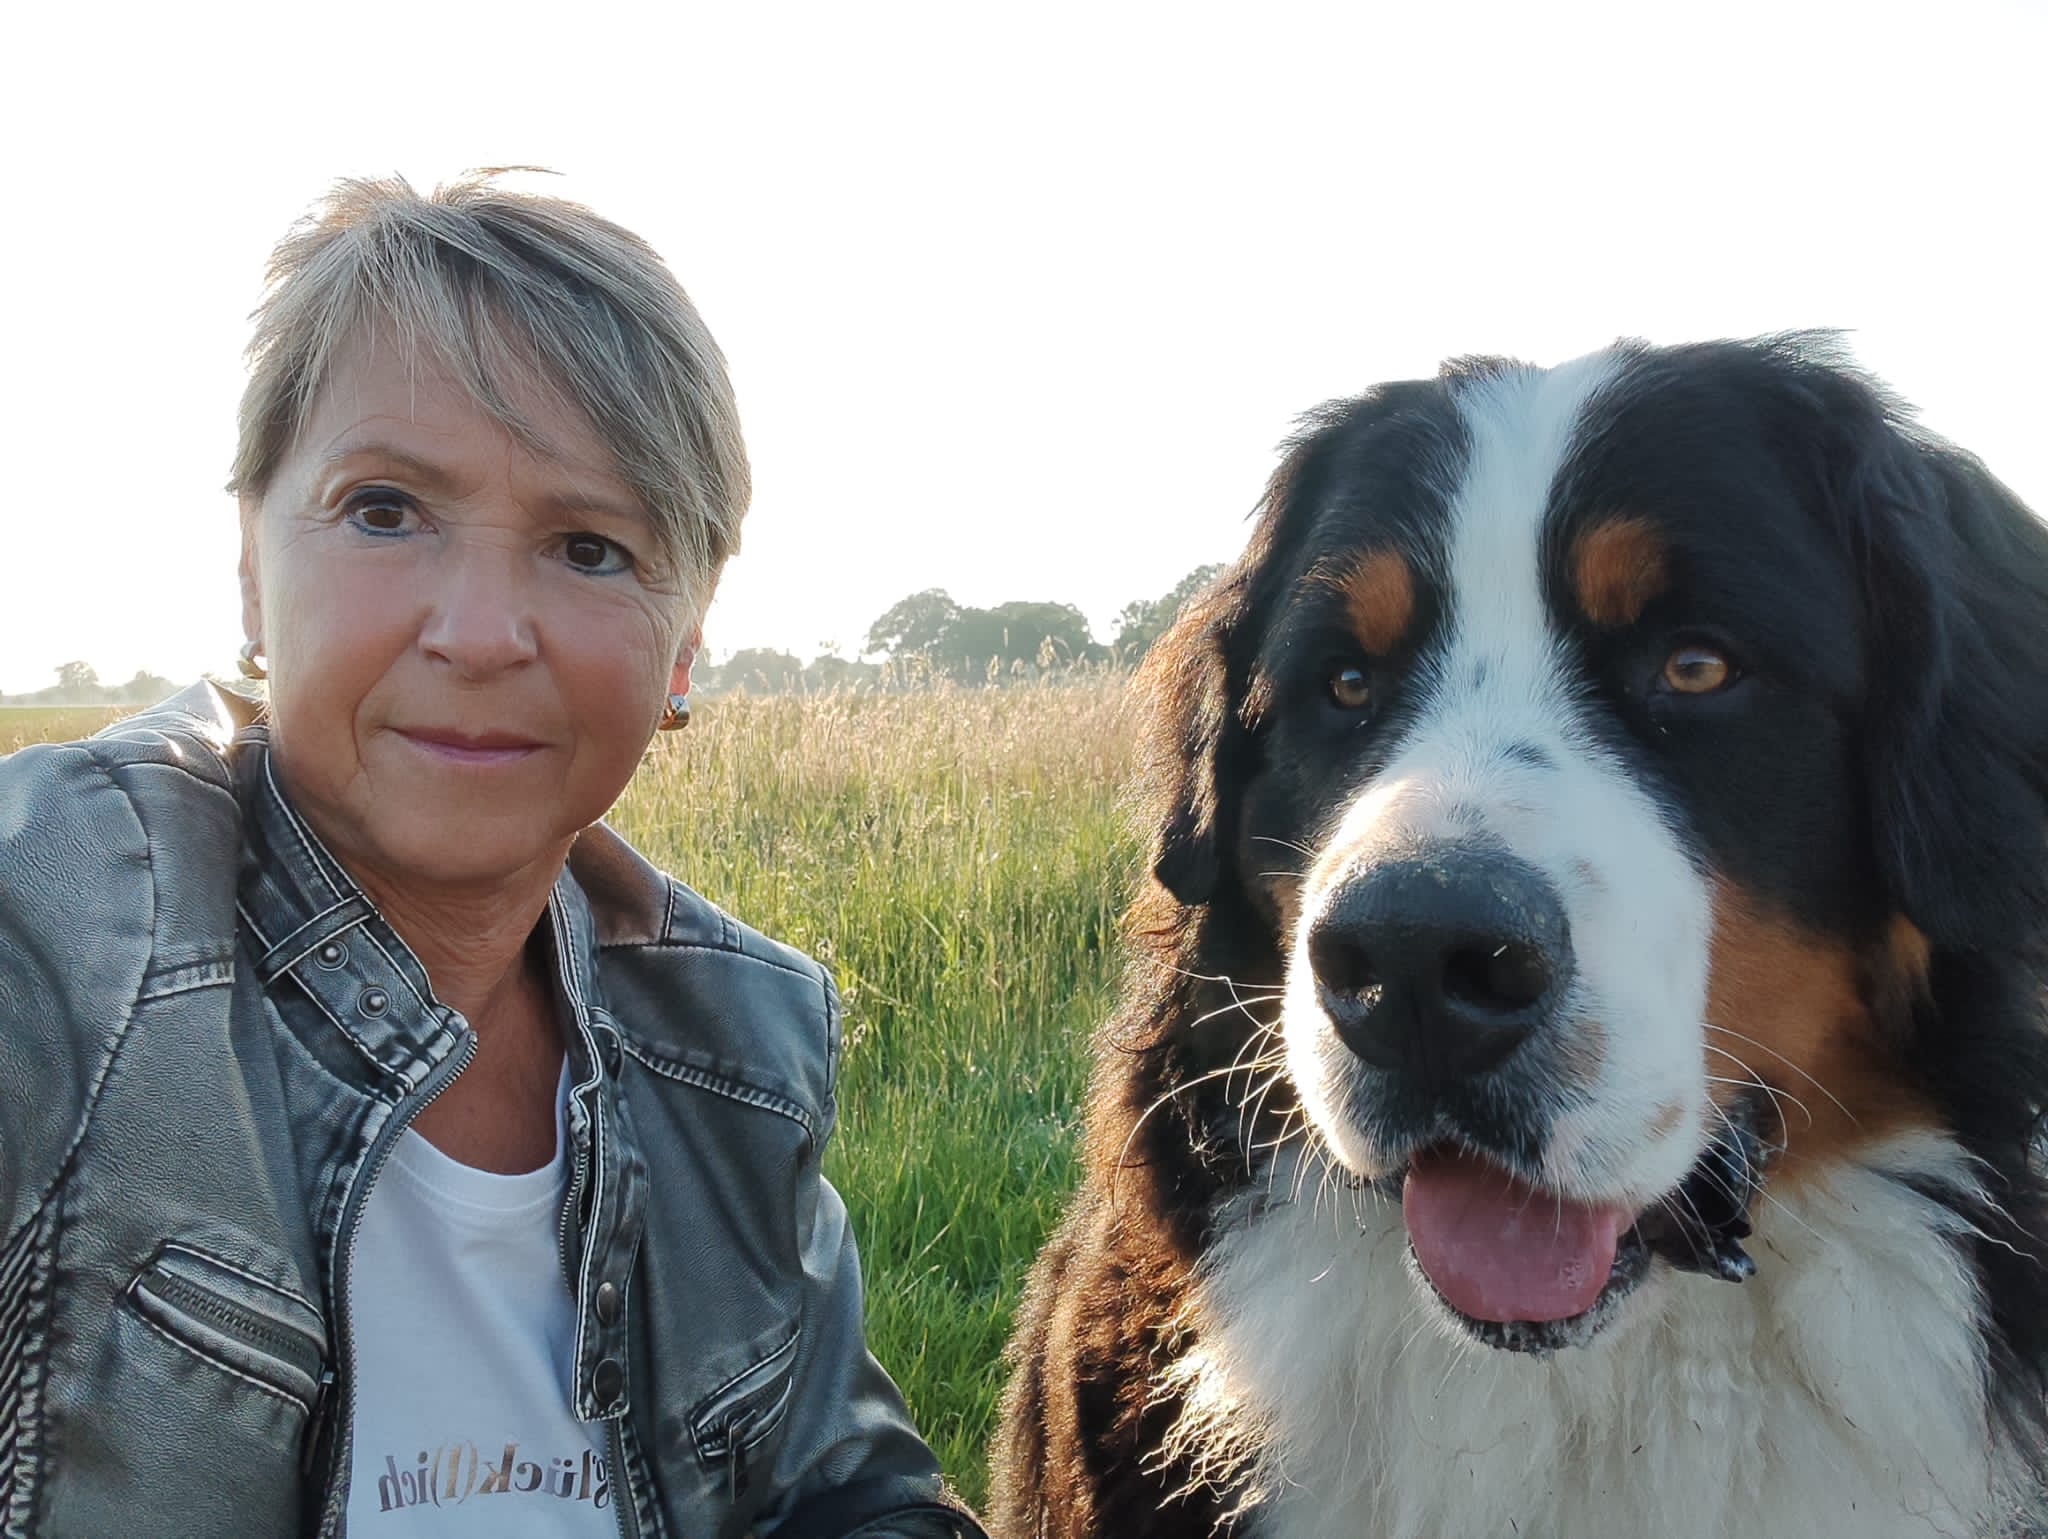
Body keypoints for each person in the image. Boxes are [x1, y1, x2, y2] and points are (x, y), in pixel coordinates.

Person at [0, 172, 982, 1539]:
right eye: (384, 510)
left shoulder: (736, 1054)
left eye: (589, 547)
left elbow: (846, 1494)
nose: (477, 633)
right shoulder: (60, 931)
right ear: (250, 567)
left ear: (685, 640)